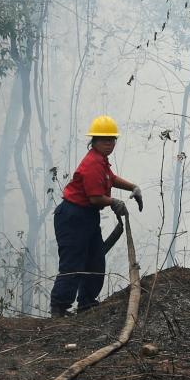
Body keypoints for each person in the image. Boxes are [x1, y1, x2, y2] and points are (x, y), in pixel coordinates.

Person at [49, 115, 143, 318]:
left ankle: (86, 304)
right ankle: (59, 308)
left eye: (112, 140)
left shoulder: (101, 161)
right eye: (104, 140)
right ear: (94, 141)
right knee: (73, 263)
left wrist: (133, 186)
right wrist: (115, 202)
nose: (109, 144)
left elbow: (111, 178)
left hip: (87, 217)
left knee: (95, 260)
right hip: (73, 216)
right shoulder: (92, 163)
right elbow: (94, 198)